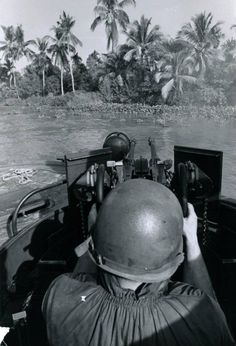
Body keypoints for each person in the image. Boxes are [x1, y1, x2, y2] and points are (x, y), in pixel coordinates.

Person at [42, 179, 235, 346]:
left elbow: (78, 283)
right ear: (176, 257)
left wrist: (96, 234)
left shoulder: (59, 298)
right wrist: (191, 239)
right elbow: (207, 307)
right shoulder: (202, 317)